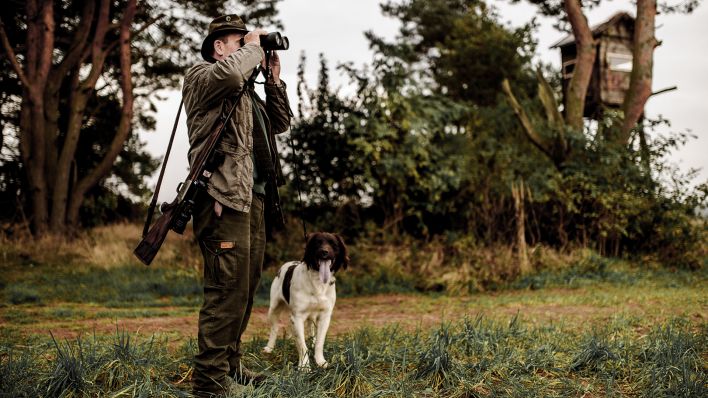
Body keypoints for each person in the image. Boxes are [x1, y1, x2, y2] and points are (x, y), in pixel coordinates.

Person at [182, 14, 291, 397]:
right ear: (220, 47)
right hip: (220, 198)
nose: (250, 45)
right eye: (239, 40)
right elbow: (229, 75)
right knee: (225, 289)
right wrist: (253, 46)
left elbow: (280, 123)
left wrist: (273, 78)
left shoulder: (245, 93)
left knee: (245, 288)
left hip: (252, 199)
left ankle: (230, 364)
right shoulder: (201, 77)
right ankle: (209, 382)